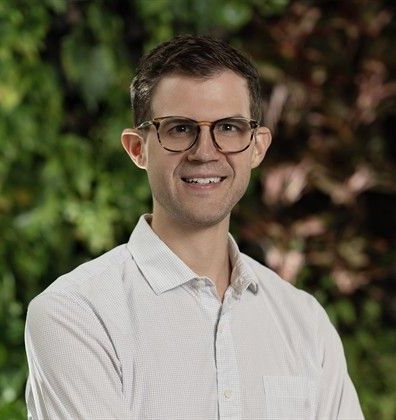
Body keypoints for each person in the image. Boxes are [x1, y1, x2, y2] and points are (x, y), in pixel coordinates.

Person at [24, 35, 364, 420]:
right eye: (180, 129)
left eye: (229, 128)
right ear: (138, 148)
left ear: (257, 146)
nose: (205, 152)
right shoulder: (77, 315)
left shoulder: (305, 322)